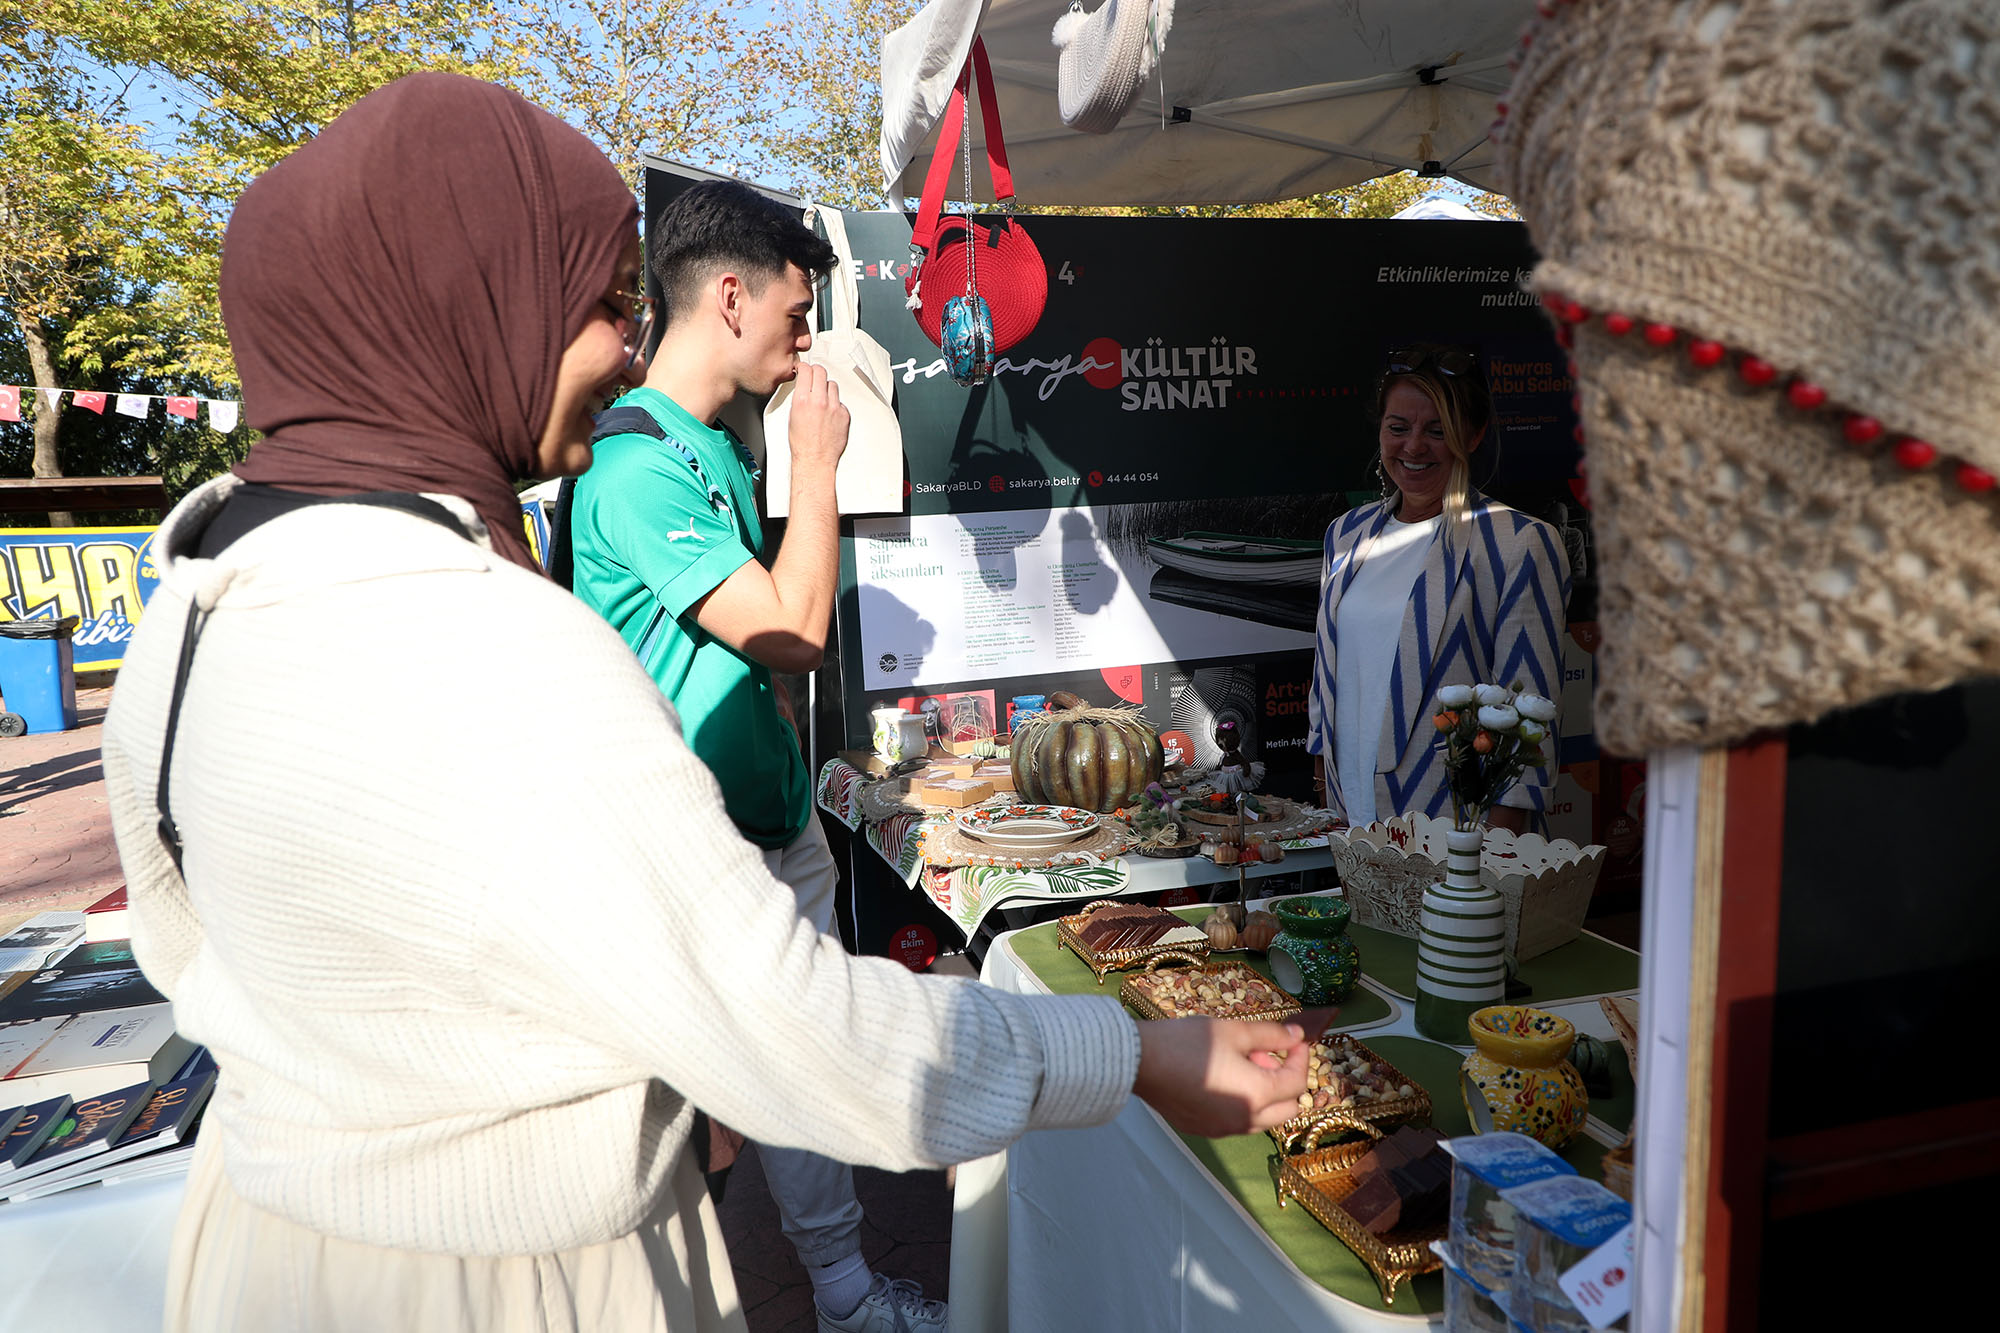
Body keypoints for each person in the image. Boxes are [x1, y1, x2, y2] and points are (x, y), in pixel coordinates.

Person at [97, 73, 1312, 1333]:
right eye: (596, 307)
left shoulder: (195, 606)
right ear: (461, 308)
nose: (619, 347)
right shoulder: (496, 639)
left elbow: (184, 952)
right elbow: (789, 1025)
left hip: (264, 1253)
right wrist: (1131, 1054)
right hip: (505, 1279)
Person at [561, 182, 922, 1330]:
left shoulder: (703, 442)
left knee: (802, 1067)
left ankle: (844, 1292)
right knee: (685, 1105)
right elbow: (789, 632)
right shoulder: (632, 466)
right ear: (729, 295)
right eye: (796, 309)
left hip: (766, 821)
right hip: (691, 852)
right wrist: (814, 464)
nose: (805, 336)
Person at [1306, 343, 1571, 833]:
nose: (1413, 447)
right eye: (1398, 428)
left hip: (1459, 830)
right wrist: (1326, 786)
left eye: (1437, 430)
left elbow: (1531, 716)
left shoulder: (1518, 542)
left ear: (1472, 435)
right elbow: (1331, 677)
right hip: (1353, 820)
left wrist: (1497, 851)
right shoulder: (1345, 534)